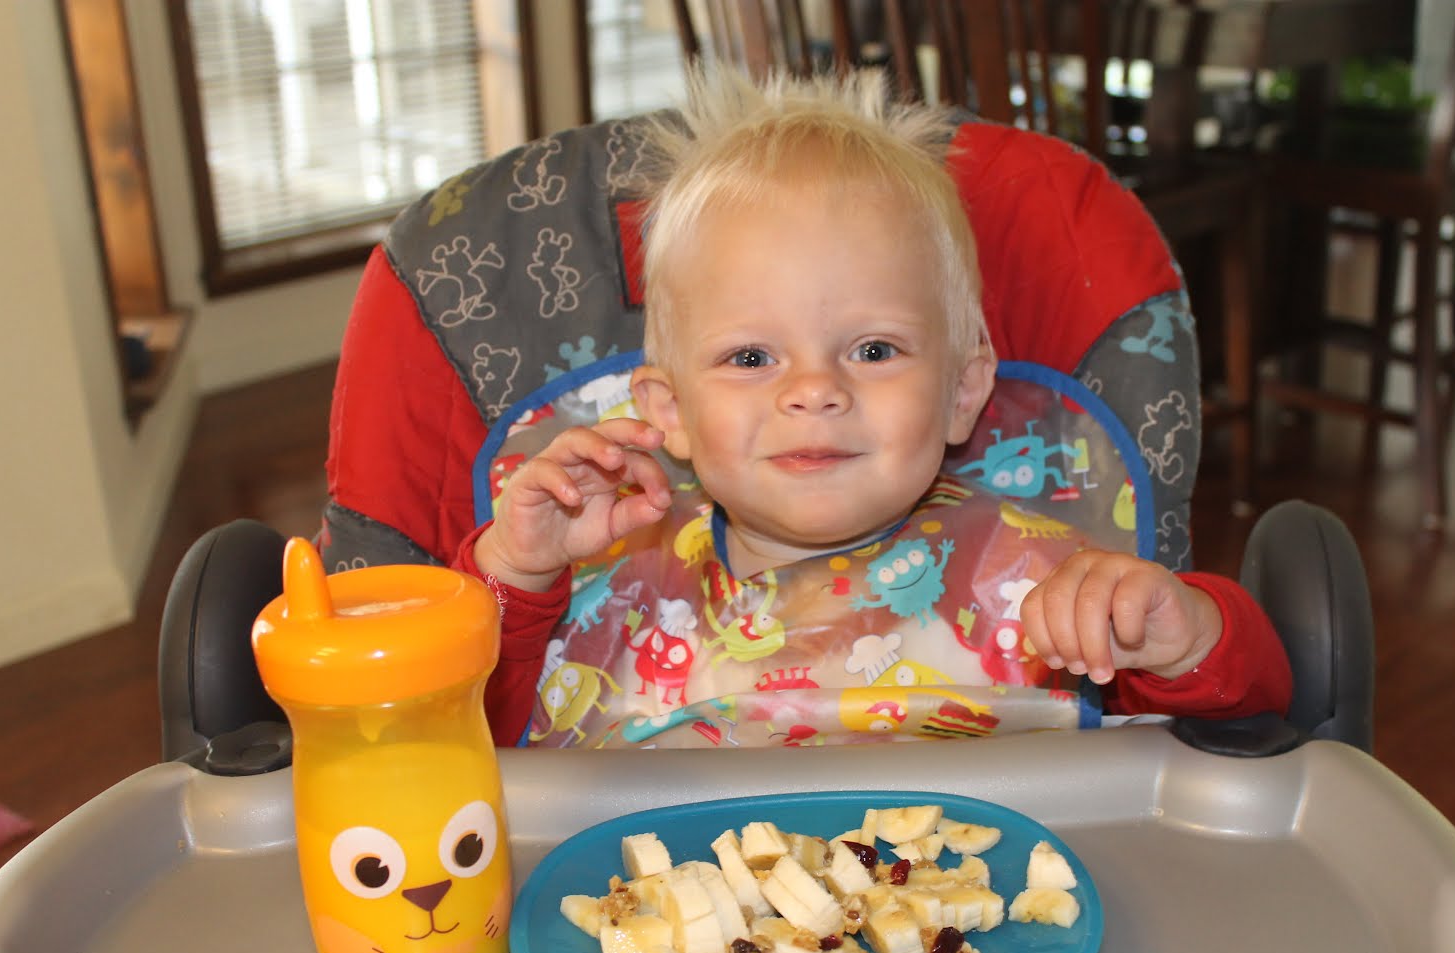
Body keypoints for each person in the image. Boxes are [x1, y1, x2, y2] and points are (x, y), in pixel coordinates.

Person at [448, 67, 1292, 747]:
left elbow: (1244, 710)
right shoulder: (609, 583)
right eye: (751, 357)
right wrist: (517, 577)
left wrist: (1182, 631)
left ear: (963, 391)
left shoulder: (1029, 583)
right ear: (667, 409)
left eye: (873, 351)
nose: (814, 390)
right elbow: (448, 732)